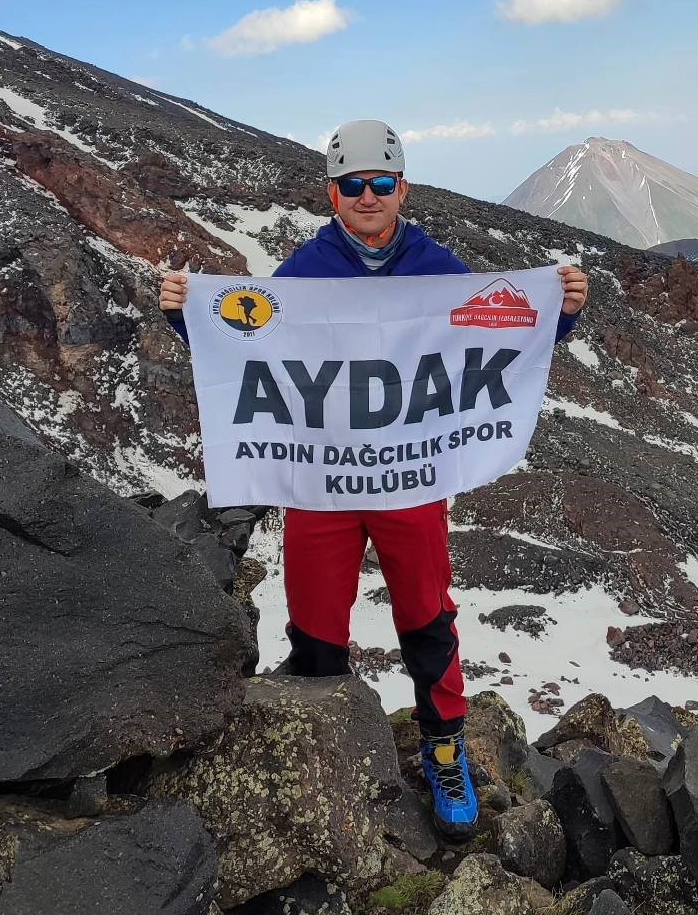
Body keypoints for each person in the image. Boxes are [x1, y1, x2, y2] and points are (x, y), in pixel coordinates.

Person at [159, 119, 589, 838]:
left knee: (426, 615)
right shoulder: (306, 268)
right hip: (322, 480)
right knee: (316, 623)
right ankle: (325, 748)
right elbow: (253, 344)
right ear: (333, 193)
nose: (366, 196)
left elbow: (491, 339)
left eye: (379, 184)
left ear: (402, 189)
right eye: (352, 185)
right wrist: (185, 317)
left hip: (409, 479)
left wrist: (561, 315)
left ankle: (444, 747)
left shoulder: (436, 265)